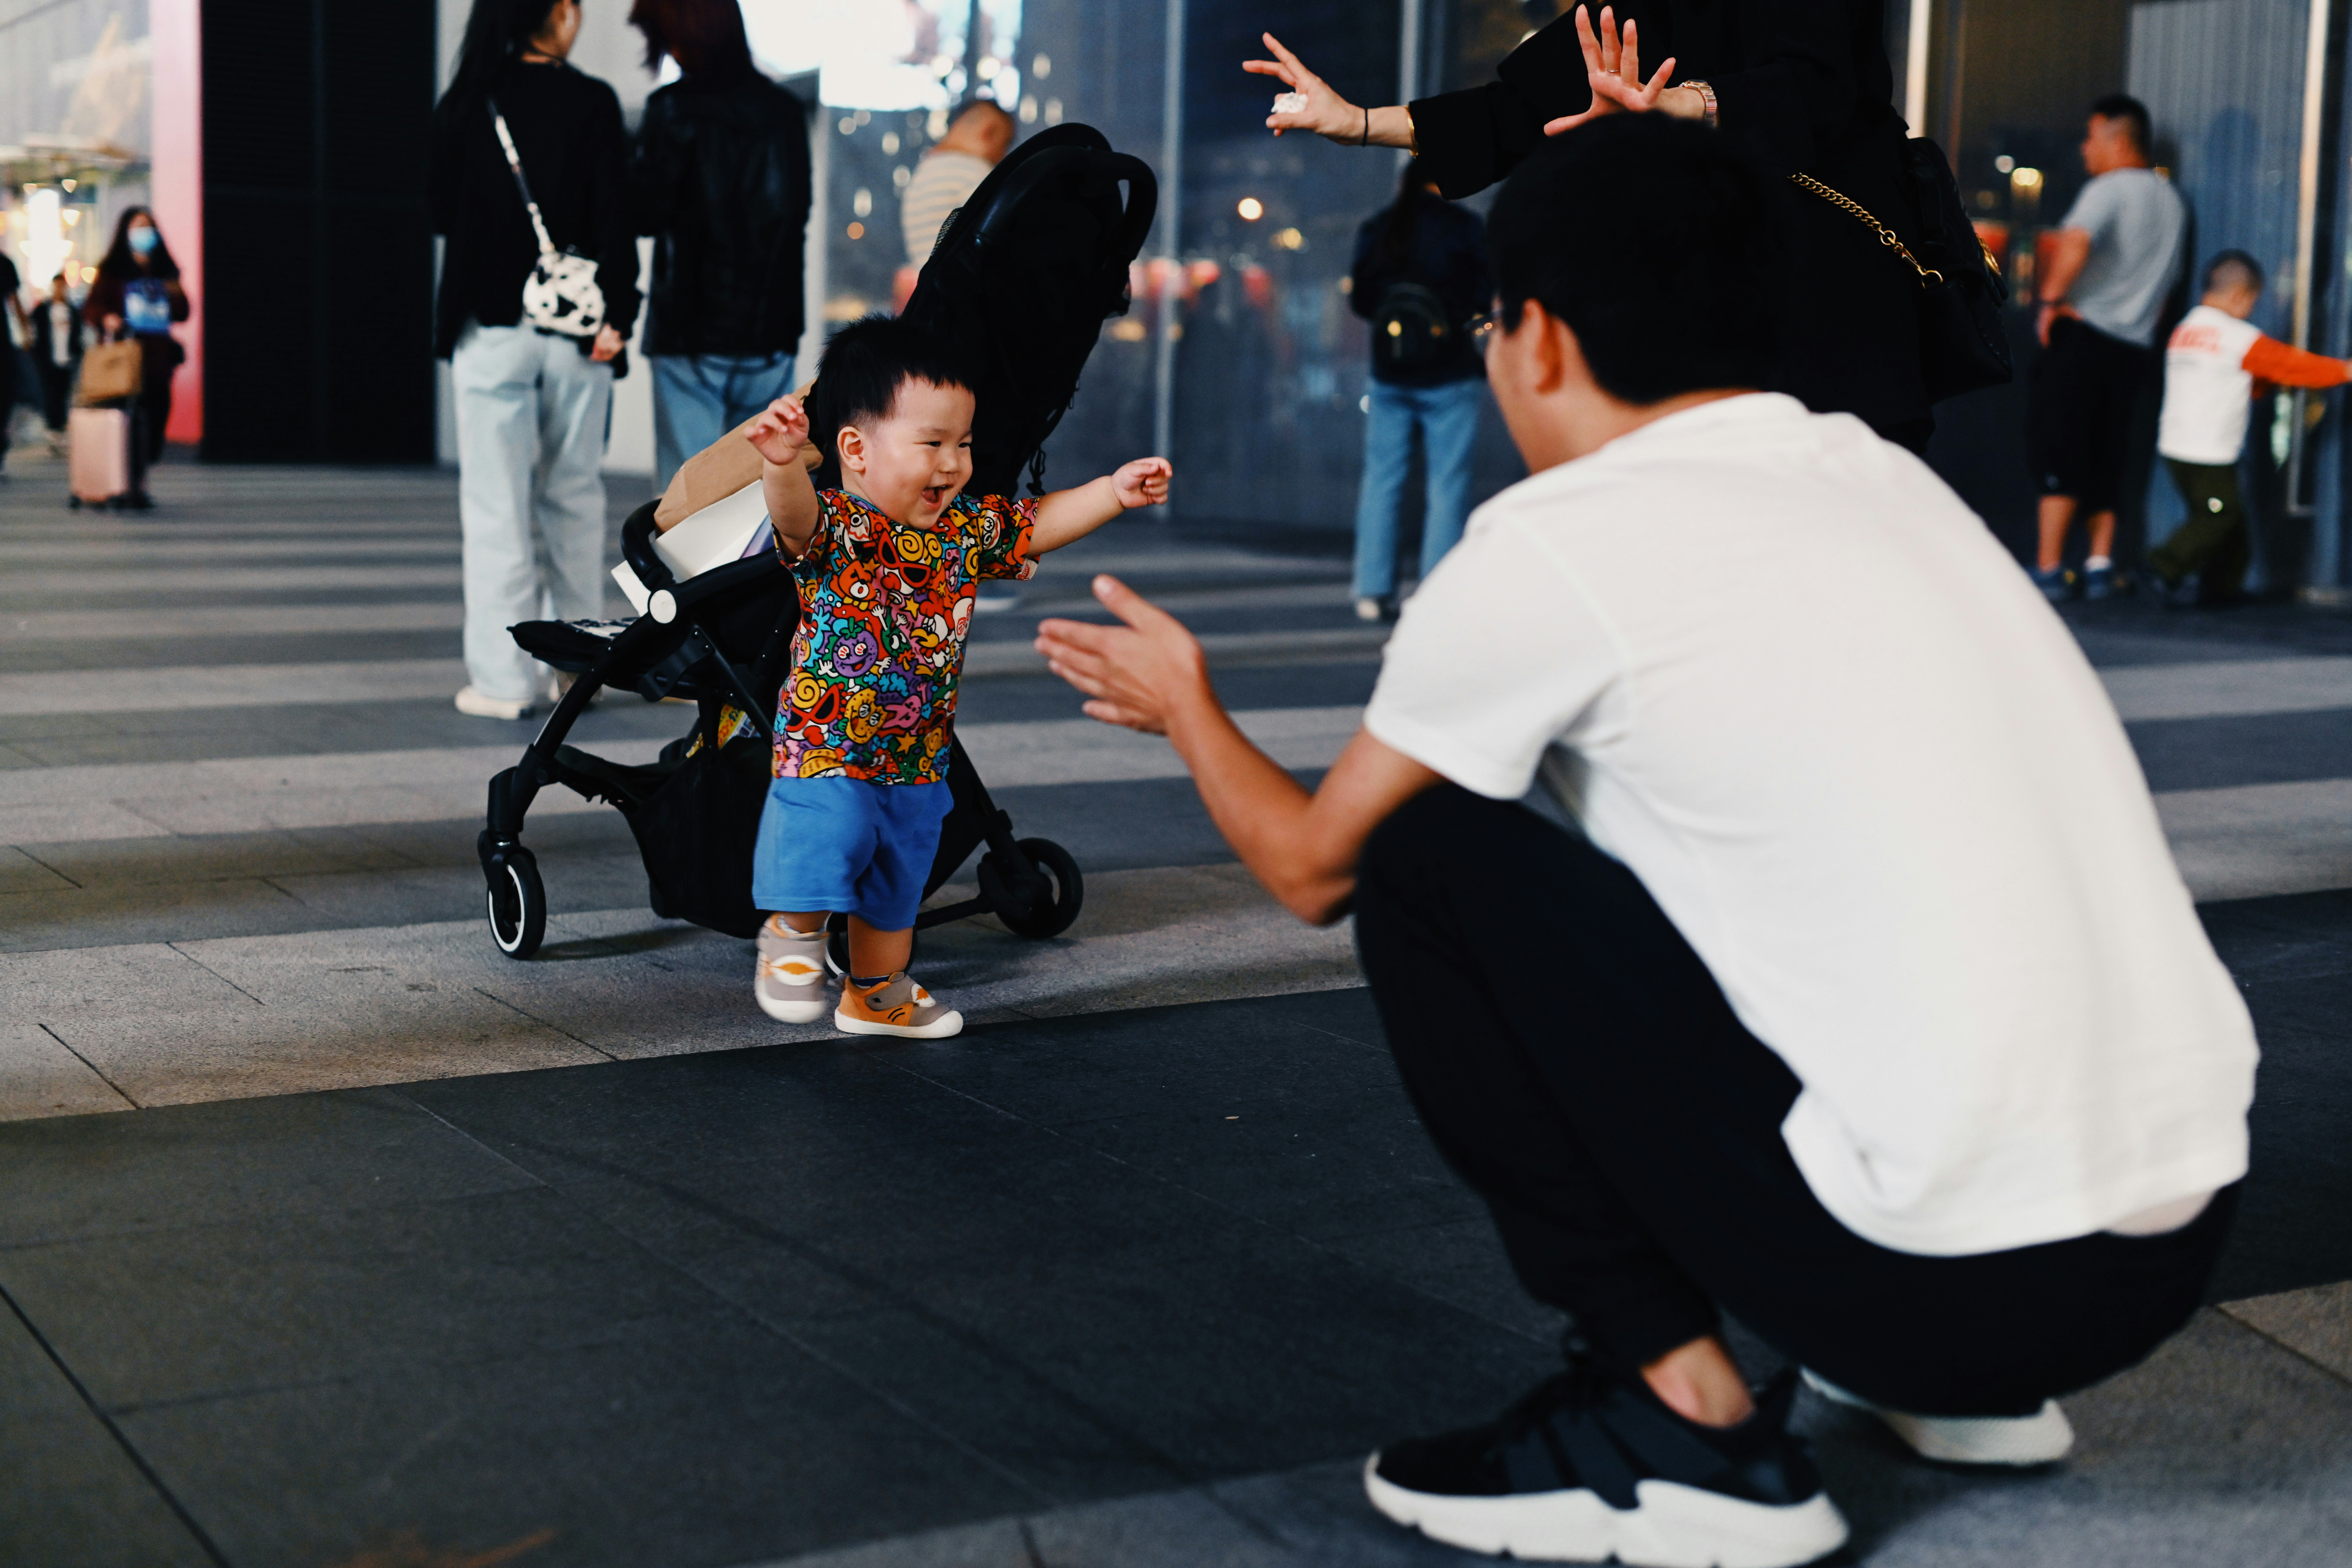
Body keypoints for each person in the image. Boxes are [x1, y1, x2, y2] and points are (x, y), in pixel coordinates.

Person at [1034, 117, 2251, 1568]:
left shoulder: (1553, 541)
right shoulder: (1876, 474)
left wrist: (1187, 710)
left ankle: (1673, 1418)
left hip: (1952, 1277)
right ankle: (1934, 1380)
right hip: (2173, 1239)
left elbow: (1311, 864)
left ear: (1533, 339)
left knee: (1430, 856)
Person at [739, 315, 1170, 1040]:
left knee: (898, 879)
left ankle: (875, 993)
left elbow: (1035, 523)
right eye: (932, 444)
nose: (954, 464)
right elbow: (792, 516)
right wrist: (781, 463)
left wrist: (1112, 492)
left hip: (917, 754)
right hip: (827, 739)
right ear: (855, 449)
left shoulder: (962, 531)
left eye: (963, 444)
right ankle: (791, 931)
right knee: (831, 827)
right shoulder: (840, 527)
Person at [1248, 3, 1936, 449]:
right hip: (1707, 329)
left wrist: (1682, 104)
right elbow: (1514, 112)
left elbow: (1817, 87)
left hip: (1836, 321)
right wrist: (1361, 123)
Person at [431, 0, 640, 721]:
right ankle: (574, 675)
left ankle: (500, 682)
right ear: (557, 14)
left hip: (489, 330)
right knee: (575, 499)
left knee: (495, 508)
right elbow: (619, 217)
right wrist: (620, 314)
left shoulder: (466, 102)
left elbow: (437, 210)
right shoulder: (593, 102)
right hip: (579, 331)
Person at [629, 0, 812, 495]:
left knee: (687, 499)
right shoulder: (785, 111)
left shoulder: (671, 109)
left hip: (690, 332)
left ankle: (685, 579)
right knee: (757, 497)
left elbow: (645, 213)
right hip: (769, 331)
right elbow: (795, 215)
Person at [2027, 93, 2186, 601]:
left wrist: (2051, 301)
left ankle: (2050, 568)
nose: (2084, 148)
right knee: (2108, 454)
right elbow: (2166, 287)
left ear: (2118, 139)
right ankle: (2098, 565)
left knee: (2061, 446)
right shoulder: (2172, 202)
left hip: (2086, 336)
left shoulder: (2109, 189)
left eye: (2091, 137)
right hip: (2134, 348)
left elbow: (2075, 242)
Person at [2147, 250, 2349, 606]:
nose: (2253, 309)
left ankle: (2221, 588)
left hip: (2177, 446)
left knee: (2231, 523)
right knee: (2218, 516)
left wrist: (2264, 384)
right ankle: (2162, 568)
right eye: (2253, 301)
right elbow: (2290, 365)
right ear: (2240, 295)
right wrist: (2344, 371)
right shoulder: (2237, 337)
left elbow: (2239, 380)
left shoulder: (2186, 330)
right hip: (2209, 450)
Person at [1347, 161, 1494, 620]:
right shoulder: (1464, 228)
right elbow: (1485, 294)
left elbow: (1361, 299)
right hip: (1451, 372)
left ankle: (1372, 591)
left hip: (1390, 372)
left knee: (1381, 480)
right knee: (1447, 484)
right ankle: (1433, 595)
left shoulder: (1378, 228)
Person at [81, 209, 189, 505]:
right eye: (139, 227)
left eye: (149, 227)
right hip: (124, 358)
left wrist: (174, 291)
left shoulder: (165, 270)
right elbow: (91, 308)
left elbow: (182, 313)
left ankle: (138, 477)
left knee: (155, 418)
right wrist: (108, 318)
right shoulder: (113, 270)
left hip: (158, 359)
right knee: (126, 424)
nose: (145, 233)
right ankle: (131, 485)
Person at [896, 100, 1015, 311]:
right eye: (1004, 145)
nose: (1002, 157)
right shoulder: (975, 173)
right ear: (987, 134)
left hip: (932, 301)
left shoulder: (925, 173)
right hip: (962, 302)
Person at [31, 271, 85, 452]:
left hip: (67, 360)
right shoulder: (43, 309)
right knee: (49, 395)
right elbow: (33, 331)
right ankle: (53, 429)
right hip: (47, 360)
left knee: (63, 395)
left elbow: (79, 335)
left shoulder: (73, 310)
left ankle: (59, 430)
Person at [0, 247, 23, 479]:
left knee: (5, 396)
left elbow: (14, 300)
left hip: (2, 341)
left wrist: (25, 332)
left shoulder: (4, 263)